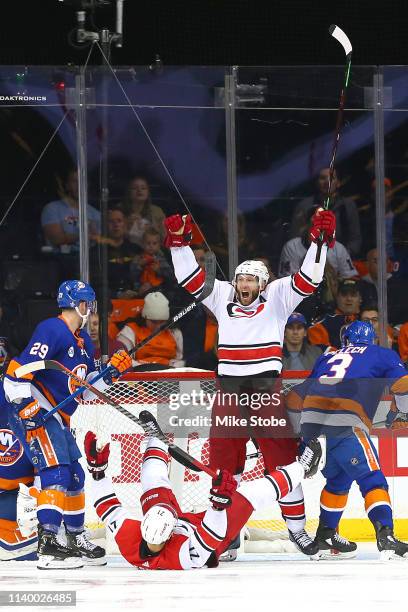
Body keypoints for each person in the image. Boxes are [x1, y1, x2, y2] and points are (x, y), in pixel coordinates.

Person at [164, 208, 336, 558]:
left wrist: (319, 242)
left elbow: (308, 279)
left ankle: (298, 532)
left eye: (250, 280)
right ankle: (225, 534)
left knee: (284, 461)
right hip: (228, 390)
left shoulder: (278, 297)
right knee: (225, 466)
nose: (243, 285)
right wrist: (180, 244)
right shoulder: (222, 294)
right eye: (240, 279)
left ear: (262, 283)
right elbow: (190, 280)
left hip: (265, 391)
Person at [3, 280, 132, 569]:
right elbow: (16, 373)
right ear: (79, 304)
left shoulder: (82, 341)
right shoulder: (52, 329)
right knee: (57, 472)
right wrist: (26, 407)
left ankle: (74, 537)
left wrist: (110, 375)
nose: (90, 309)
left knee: (75, 475)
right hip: (40, 411)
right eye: (88, 303)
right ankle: (48, 542)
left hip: (59, 418)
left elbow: (84, 389)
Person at [78, 426, 322, 570]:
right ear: (169, 534)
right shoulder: (181, 555)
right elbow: (212, 535)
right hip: (211, 537)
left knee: (152, 486)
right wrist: (218, 504)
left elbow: (106, 506)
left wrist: (97, 472)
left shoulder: (129, 538)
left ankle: (156, 438)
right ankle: (302, 468)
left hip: (181, 525)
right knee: (250, 494)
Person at [290, 320, 408, 560]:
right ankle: (386, 536)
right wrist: (404, 412)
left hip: (317, 425)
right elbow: (403, 386)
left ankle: (325, 536)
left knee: (338, 480)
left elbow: (294, 397)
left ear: (346, 341)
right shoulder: (381, 354)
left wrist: (303, 438)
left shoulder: (327, 357)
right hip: (348, 423)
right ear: (372, 339)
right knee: (373, 479)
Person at [290, 167, 361, 257]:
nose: (327, 181)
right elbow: (295, 237)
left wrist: (343, 256)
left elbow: (355, 239)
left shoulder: (348, 206)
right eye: (323, 178)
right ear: (317, 183)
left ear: (338, 183)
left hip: (340, 260)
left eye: (332, 178)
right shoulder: (304, 206)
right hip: (309, 258)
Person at [279, 206, 357, 279]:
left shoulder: (339, 248)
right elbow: (287, 281)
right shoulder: (292, 247)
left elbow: (350, 279)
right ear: (307, 223)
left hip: (333, 291)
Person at [117, 291, 184, 369]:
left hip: (167, 373)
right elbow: (123, 359)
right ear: (145, 318)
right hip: (139, 373)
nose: (158, 326)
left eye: (162, 322)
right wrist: (149, 368)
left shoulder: (174, 332)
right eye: (154, 322)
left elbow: (179, 360)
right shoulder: (129, 331)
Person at [41, 169, 101, 254]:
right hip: (60, 262)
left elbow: (102, 240)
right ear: (67, 185)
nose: (79, 185)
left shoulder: (96, 213)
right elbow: (57, 239)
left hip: (90, 262)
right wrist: (86, 235)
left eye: (83, 181)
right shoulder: (52, 209)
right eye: (75, 181)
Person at [307, 279, 362, 349]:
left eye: (353, 295)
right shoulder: (323, 323)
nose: (349, 299)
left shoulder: (369, 319)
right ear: (337, 297)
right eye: (344, 294)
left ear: (360, 299)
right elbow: (319, 351)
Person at [121, 176, 166, 248]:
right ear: (129, 191)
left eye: (143, 188)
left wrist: (151, 229)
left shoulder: (157, 211)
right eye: (135, 188)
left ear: (148, 192)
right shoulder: (120, 210)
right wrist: (127, 226)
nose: (139, 190)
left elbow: (165, 239)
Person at [130, 227, 174, 297]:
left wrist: (159, 270)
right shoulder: (138, 258)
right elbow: (132, 275)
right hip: (141, 289)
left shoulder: (161, 259)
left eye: (154, 243)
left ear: (159, 245)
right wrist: (139, 266)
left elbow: (170, 276)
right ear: (143, 244)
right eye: (148, 243)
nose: (151, 246)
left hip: (159, 290)